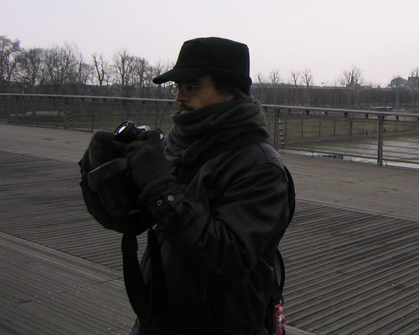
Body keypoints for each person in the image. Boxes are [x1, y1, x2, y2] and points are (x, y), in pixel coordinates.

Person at [79, 37, 295, 335]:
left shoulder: (261, 167)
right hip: (159, 316)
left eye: (191, 87)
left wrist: (159, 187)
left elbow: (223, 261)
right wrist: (97, 171)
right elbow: (125, 219)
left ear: (230, 92)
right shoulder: (178, 145)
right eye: (177, 87)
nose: (179, 97)